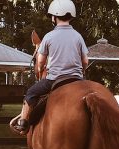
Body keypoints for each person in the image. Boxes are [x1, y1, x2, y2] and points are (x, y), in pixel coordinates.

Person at [14, 0, 89, 135]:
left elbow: (41, 62)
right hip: (77, 79)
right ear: (71, 16)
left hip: (54, 79)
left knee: (31, 92)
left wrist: (40, 68)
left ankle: (23, 122)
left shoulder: (49, 37)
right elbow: (85, 61)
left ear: (54, 17)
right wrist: (81, 72)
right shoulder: (78, 37)